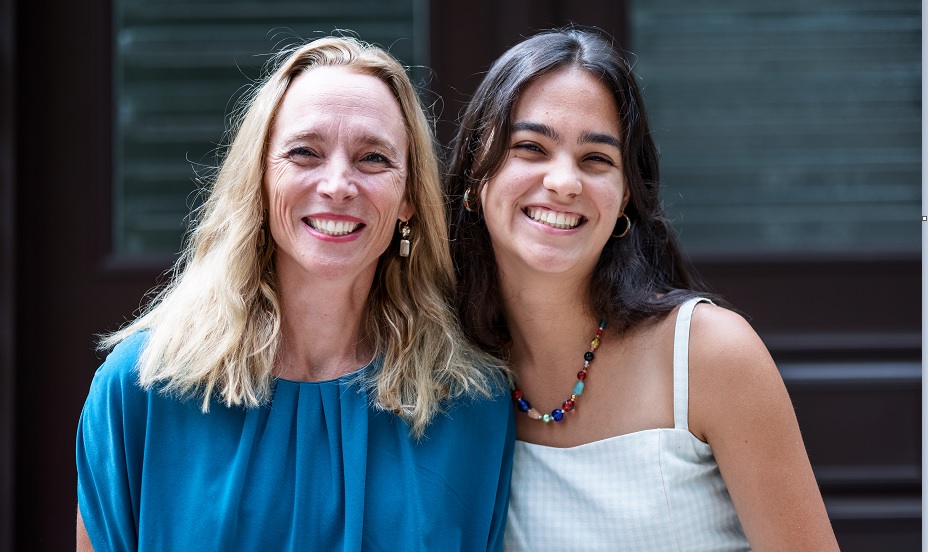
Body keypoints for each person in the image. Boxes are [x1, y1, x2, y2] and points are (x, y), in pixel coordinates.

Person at [76, 36, 514, 551]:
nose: (337, 185)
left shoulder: (472, 404)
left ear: (409, 199)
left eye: (373, 158)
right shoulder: (140, 388)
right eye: (304, 152)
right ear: (258, 179)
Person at [447, 28, 839, 551]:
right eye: (530, 147)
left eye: (597, 159)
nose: (564, 181)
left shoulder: (709, 354)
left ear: (625, 198)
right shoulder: (444, 367)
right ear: (476, 174)